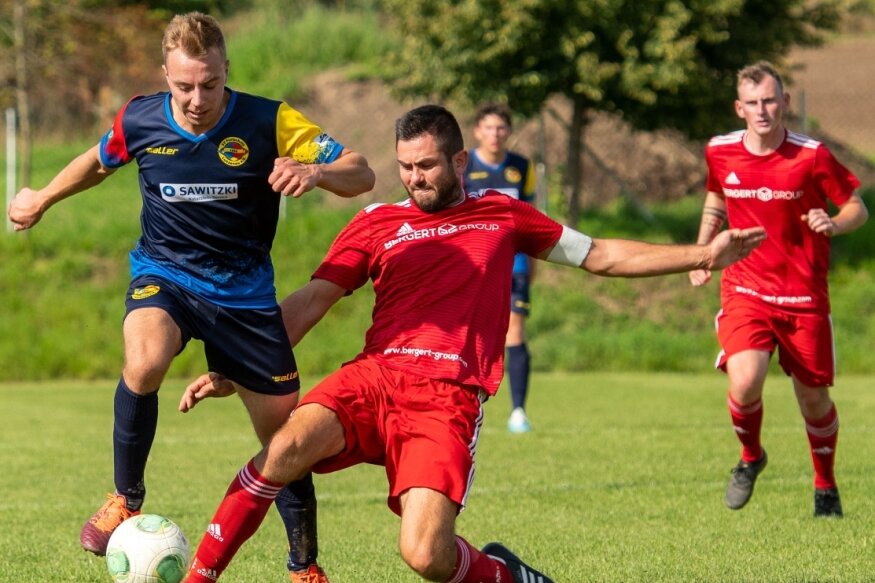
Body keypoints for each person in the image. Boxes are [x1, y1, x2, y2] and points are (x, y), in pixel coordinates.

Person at [178, 104, 765, 583]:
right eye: (406, 166)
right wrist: (239, 363)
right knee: (282, 450)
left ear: (459, 159)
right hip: (375, 377)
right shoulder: (376, 221)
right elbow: (312, 301)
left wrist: (704, 254)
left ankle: (512, 579)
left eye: (428, 165)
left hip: (446, 397)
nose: (416, 178)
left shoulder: (504, 216)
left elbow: (601, 255)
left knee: (426, 556)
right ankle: (201, 577)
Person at [7, 12, 374, 582]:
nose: (197, 98)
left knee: (285, 439)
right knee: (145, 359)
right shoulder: (141, 118)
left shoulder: (270, 119)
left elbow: (361, 171)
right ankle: (126, 497)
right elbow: (97, 161)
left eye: (209, 83)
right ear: (165, 75)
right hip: (166, 276)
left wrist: (316, 173)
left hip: (245, 296)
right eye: (184, 85)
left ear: (226, 69)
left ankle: (304, 565)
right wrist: (43, 197)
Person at [689, 61, 867, 518]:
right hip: (746, 289)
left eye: (769, 100)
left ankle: (825, 486)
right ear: (739, 107)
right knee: (745, 381)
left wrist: (834, 222)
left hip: (805, 295)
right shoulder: (720, 151)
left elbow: (856, 207)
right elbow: (716, 195)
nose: (762, 110)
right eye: (752, 103)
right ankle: (750, 458)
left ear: (784, 102)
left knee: (813, 398)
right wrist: (703, 249)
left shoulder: (812, 156)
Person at [464, 103, 538, 433]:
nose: (495, 134)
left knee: (515, 332)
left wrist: (533, 259)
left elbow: (531, 219)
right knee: (470, 335)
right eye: (489, 128)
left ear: (508, 131)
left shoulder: (522, 167)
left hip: (514, 262)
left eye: (501, 128)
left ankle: (518, 411)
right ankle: (465, 401)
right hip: (473, 263)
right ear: (478, 131)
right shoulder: (462, 164)